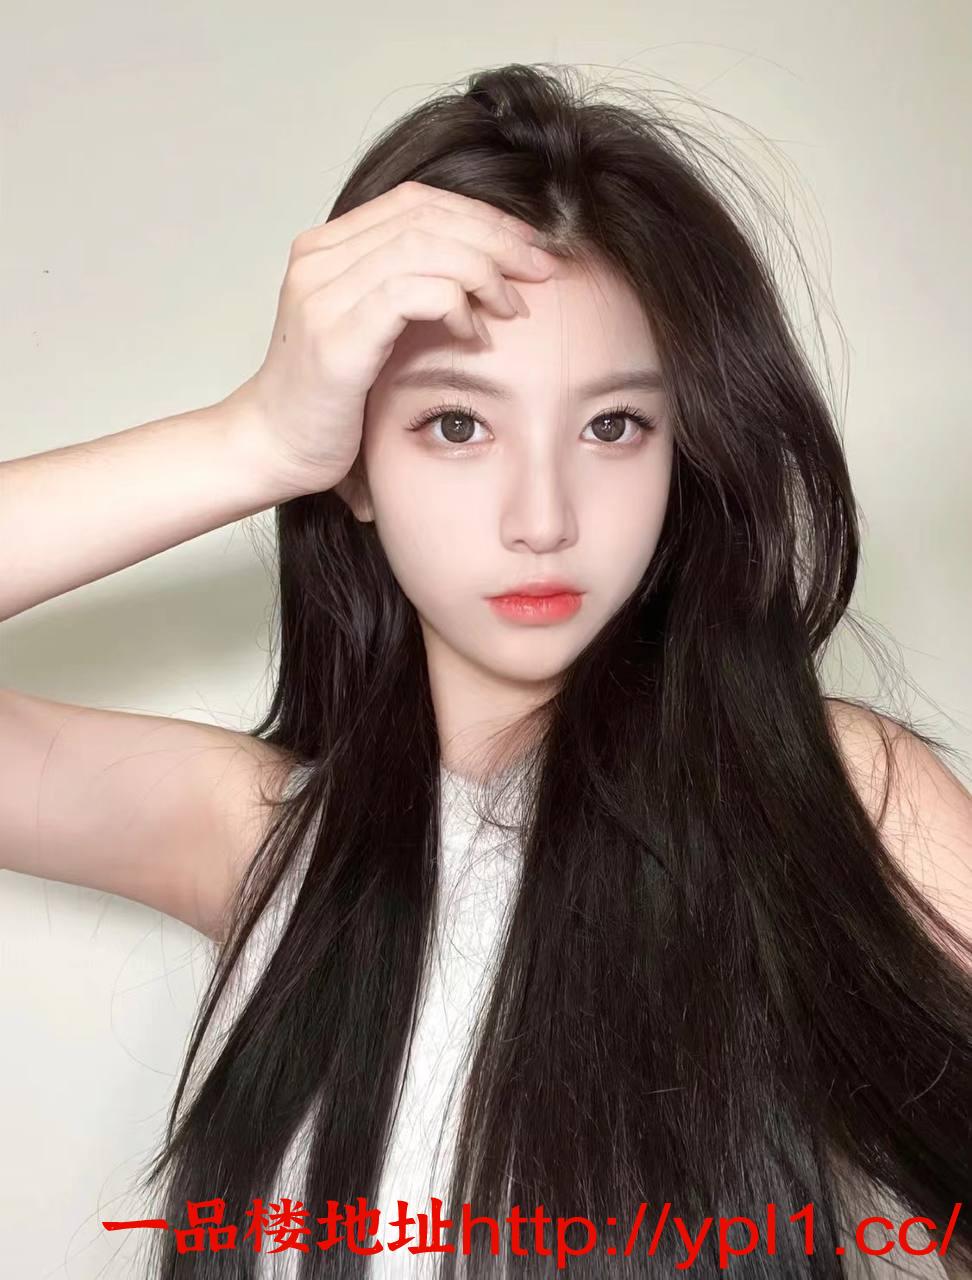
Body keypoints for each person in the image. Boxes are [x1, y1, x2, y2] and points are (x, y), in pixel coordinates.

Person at [2, 61, 970, 1280]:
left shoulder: (835, 791)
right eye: (456, 423)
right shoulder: (258, 840)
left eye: (614, 425)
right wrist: (252, 437)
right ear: (352, 464)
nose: (542, 517)